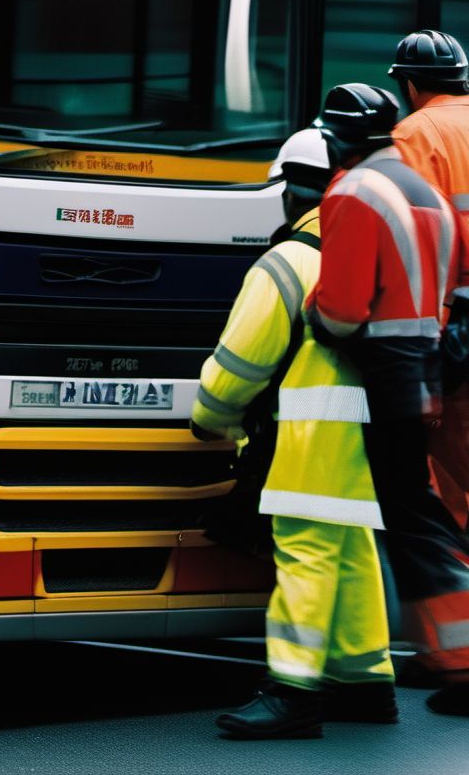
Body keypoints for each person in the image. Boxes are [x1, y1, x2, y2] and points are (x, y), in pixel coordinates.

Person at [192, 122, 394, 740]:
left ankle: (292, 693)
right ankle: (365, 682)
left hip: (306, 442)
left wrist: (210, 419)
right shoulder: (359, 255)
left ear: (288, 193)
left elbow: (238, 365)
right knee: (351, 551)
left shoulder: (286, 262)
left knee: (305, 555)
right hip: (369, 441)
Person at [308, 80, 469, 717]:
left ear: (335, 138)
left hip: (382, 372)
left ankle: (458, 661)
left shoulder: (352, 192)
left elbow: (343, 311)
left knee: (409, 523)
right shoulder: (421, 190)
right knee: (422, 515)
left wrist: (316, 320)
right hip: (429, 363)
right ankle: (448, 656)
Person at [388, 30, 469, 530]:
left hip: (454, 328)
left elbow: (413, 247)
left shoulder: (414, 134)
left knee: (451, 478)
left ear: (411, 86)